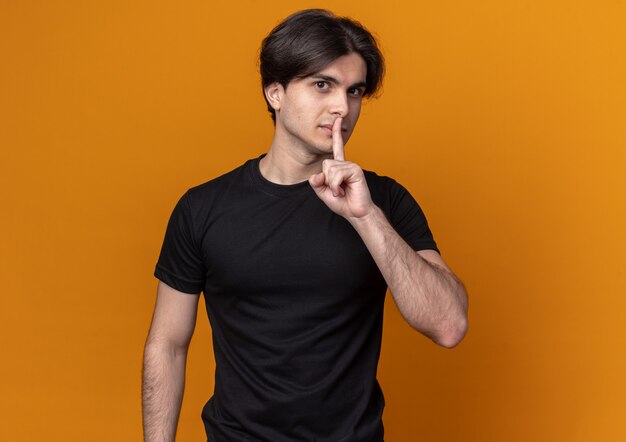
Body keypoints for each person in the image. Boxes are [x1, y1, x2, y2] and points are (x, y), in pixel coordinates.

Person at [142, 9, 468, 442]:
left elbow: (448, 326)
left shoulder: (384, 201)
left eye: (354, 91)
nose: (342, 107)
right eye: (322, 85)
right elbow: (167, 345)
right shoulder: (202, 208)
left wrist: (367, 217)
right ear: (275, 92)